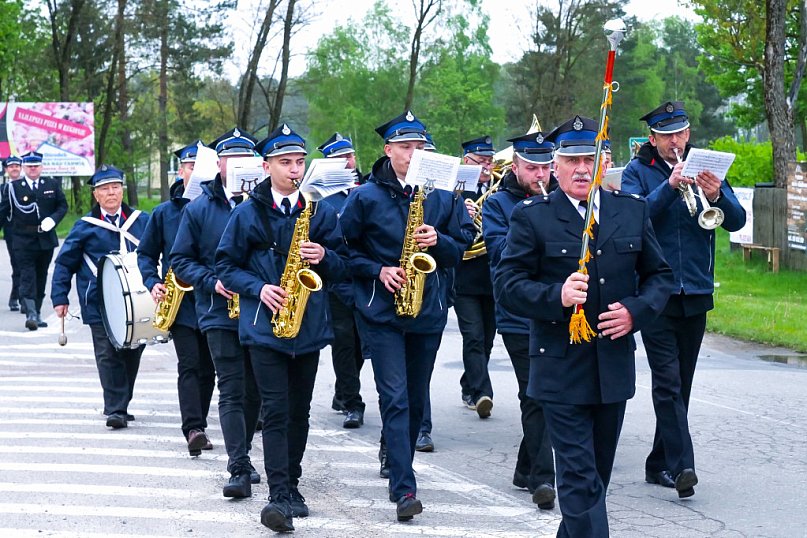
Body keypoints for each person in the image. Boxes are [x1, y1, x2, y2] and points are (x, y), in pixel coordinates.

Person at [495, 115, 673, 537]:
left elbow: (660, 277)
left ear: (604, 162)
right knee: (578, 480)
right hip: (559, 368)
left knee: (595, 482)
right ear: (554, 167)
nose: (581, 169)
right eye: (571, 160)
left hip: (612, 366)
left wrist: (635, 312)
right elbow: (507, 285)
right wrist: (555, 296)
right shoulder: (532, 217)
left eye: (589, 159)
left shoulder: (631, 210)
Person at [339, 110, 475, 523]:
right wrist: (377, 270)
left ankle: (394, 451)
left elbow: (464, 246)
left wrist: (440, 241)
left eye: (420, 146)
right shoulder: (365, 196)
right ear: (388, 150)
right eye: (405, 146)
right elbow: (343, 252)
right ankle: (404, 488)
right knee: (395, 397)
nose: (414, 153)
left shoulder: (444, 195)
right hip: (381, 310)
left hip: (427, 309)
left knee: (415, 398)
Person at [217, 124, 348, 532]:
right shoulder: (247, 212)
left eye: (299, 162)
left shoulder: (319, 211)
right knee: (275, 410)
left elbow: (343, 266)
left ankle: (292, 484)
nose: (294, 170)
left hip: (307, 324)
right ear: (266, 166)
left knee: (299, 411)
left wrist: (324, 255)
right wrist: (258, 288)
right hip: (263, 325)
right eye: (285, 162)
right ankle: (277, 496)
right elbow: (225, 266)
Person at [621, 101, 746, 498]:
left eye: (680, 133)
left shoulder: (706, 167)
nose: (675, 141)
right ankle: (682, 466)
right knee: (667, 382)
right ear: (652, 138)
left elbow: (738, 220)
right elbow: (631, 219)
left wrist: (717, 195)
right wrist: (669, 187)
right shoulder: (637, 171)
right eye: (666, 136)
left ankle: (658, 461)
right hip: (655, 292)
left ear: (688, 133)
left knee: (682, 384)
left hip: (696, 288)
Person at [171, 127, 262, 498]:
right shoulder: (199, 208)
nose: (238, 165)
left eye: (246, 159)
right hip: (217, 310)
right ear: (219, 164)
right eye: (231, 159)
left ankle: (247, 451)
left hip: (259, 308)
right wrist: (211, 281)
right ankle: (238, 464)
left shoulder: (265, 204)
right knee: (231, 387)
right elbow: (180, 260)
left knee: (255, 389)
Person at [482, 131, 557, 509]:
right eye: (532, 168)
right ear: (515, 167)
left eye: (546, 167)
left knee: (548, 391)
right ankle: (543, 479)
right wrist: (537, 225)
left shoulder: (563, 200)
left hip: (557, 310)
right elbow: (499, 252)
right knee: (535, 393)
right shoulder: (497, 204)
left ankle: (525, 468)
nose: (540, 175)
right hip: (517, 313)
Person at [51, 165, 149, 429]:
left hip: (136, 301)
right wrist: (60, 297)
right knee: (107, 352)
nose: (111, 193)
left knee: (133, 350)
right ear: (96, 195)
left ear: (122, 190)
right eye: (104, 189)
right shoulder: (85, 227)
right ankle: (116, 408)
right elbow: (65, 263)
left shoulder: (141, 221)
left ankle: (121, 402)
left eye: (115, 187)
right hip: (98, 299)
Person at [137, 142, 216, 456]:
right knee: (190, 364)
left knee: (209, 368)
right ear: (181, 171)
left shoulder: (218, 208)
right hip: (180, 300)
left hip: (213, 297)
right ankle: (193, 428)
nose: (195, 172)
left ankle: (200, 424)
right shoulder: (164, 213)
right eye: (190, 166)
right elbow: (146, 254)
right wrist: (152, 282)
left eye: (201, 167)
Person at [317, 132, 367, 429]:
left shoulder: (365, 189)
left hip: (364, 275)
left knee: (360, 343)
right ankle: (352, 403)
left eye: (349, 156)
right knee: (344, 342)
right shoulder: (321, 197)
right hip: (337, 278)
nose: (348, 162)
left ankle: (342, 391)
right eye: (340, 158)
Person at [454, 135, 498, 419]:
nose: (487, 166)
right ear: (466, 161)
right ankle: (482, 393)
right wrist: (461, 213)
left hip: (491, 276)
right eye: (481, 161)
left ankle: (469, 383)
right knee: (473, 336)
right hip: (465, 276)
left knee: (487, 339)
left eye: (489, 161)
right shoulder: (455, 190)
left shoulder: (499, 189)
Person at [0, 151, 68, 330]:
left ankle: (37, 312)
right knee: (27, 274)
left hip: (45, 239)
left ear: (41, 167)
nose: (33, 169)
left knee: (41, 275)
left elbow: (62, 206)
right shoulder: (13, 188)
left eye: (36, 166)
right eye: (29, 166)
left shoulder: (51, 184)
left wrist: (53, 219)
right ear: (24, 167)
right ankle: (30, 313)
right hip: (22, 240)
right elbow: (3, 212)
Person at [1, 155, 23, 311]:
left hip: (29, 232)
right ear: (6, 169)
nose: (14, 169)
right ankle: (16, 296)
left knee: (29, 266)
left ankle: (25, 297)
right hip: (12, 232)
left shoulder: (26, 186)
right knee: (17, 264)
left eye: (16, 166)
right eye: (11, 166)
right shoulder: (2, 189)